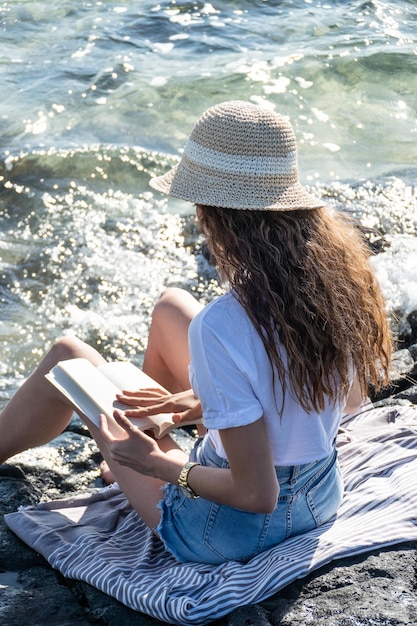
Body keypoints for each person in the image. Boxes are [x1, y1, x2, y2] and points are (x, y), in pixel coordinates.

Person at [0, 101, 392, 565]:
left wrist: (153, 463)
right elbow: (344, 402)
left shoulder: (224, 325)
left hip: (223, 530)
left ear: (213, 213)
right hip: (318, 499)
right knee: (171, 305)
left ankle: (129, 464)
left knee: (69, 357)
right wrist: (192, 402)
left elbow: (257, 495)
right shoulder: (342, 284)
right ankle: (138, 450)